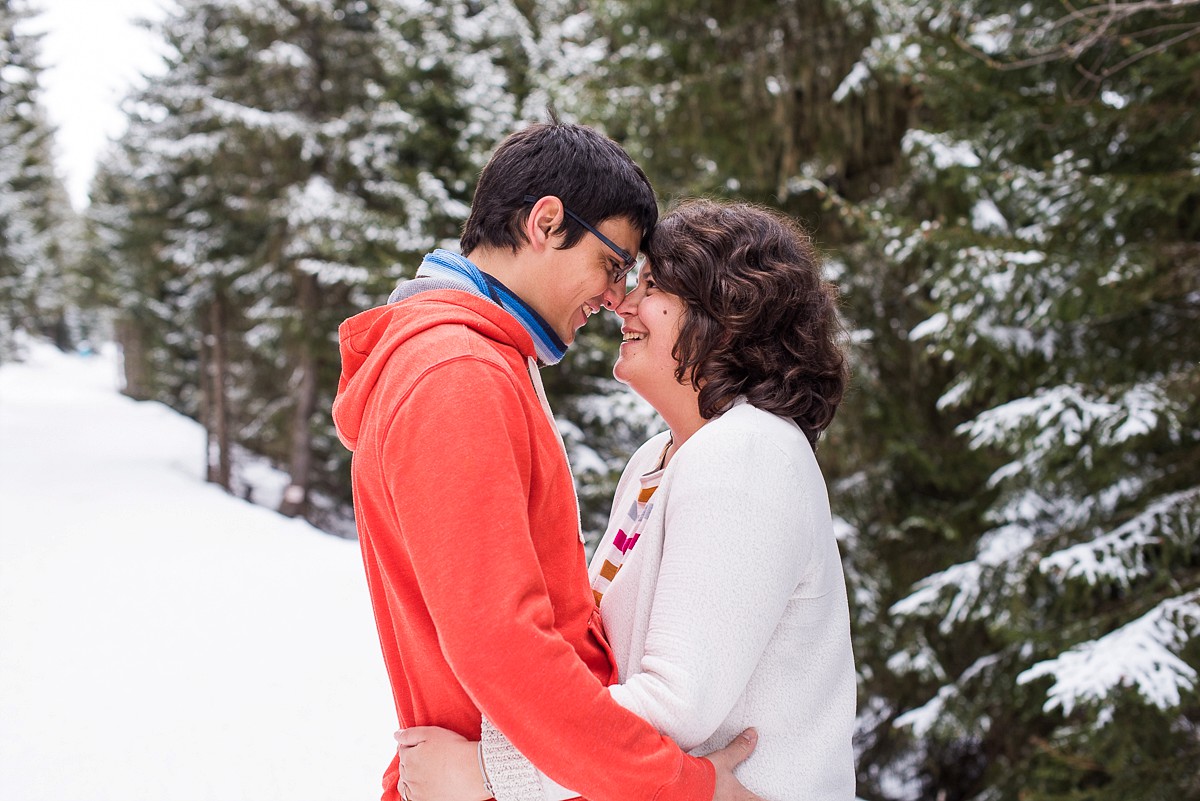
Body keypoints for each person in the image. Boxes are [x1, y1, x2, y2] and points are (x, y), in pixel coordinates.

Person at [331, 121, 761, 801]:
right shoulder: (457, 373)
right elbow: (503, 644)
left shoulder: (476, 360)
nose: (616, 297)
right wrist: (684, 787)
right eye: (614, 264)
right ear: (547, 221)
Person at [395, 198, 857, 801]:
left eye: (655, 287)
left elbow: (676, 703)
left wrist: (486, 770)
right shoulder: (658, 460)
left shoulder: (750, 454)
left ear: (730, 316)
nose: (622, 303)